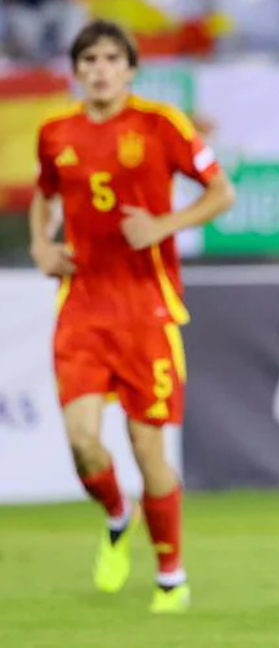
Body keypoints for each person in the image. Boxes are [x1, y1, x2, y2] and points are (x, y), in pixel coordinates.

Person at [28, 20, 235, 612]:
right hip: (82, 309)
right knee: (83, 443)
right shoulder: (54, 132)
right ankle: (119, 515)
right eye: (88, 58)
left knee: (149, 453)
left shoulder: (160, 124)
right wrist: (43, 246)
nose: (99, 68)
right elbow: (44, 194)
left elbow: (221, 193)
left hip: (148, 312)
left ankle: (171, 575)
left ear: (130, 68)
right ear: (76, 68)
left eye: (111, 58)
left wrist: (162, 226)